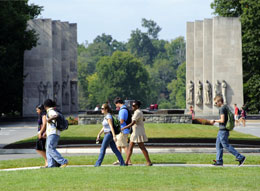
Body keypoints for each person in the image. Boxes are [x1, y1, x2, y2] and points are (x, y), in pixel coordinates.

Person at [210, 95, 246, 166]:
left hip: (223, 130)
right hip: (223, 130)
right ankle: (219, 161)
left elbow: (222, 120)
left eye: (216, 103)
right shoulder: (226, 107)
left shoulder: (222, 109)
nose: (216, 104)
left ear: (220, 101)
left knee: (225, 145)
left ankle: (240, 157)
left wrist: (214, 121)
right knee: (218, 145)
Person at [122, 100, 152, 166]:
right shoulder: (139, 112)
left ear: (137, 106)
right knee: (131, 147)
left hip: (137, 132)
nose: (132, 107)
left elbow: (133, 123)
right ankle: (126, 162)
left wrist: (124, 128)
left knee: (141, 147)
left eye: (134, 105)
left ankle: (148, 162)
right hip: (136, 131)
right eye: (132, 105)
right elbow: (143, 119)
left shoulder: (137, 112)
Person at [44, 99, 68, 168]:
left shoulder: (50, 111)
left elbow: (56, 115)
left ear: (45, 106)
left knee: (50, 148)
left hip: (53, 133)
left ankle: (63, 161)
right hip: (54, 133)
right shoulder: (51, 110)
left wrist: (48, 119)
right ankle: (51, 165)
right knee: (49, 149)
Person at [113, 97, 132, 165]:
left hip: (123, 130)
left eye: (115, 104)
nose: (116, 106)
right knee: (119, 145)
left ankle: (128, 161)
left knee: (124, 146)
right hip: (123, 130)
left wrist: (114, 124)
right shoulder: (124, 109)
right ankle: (119, 159)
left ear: (118, 103)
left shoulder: (122, 110)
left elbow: (121, 121)